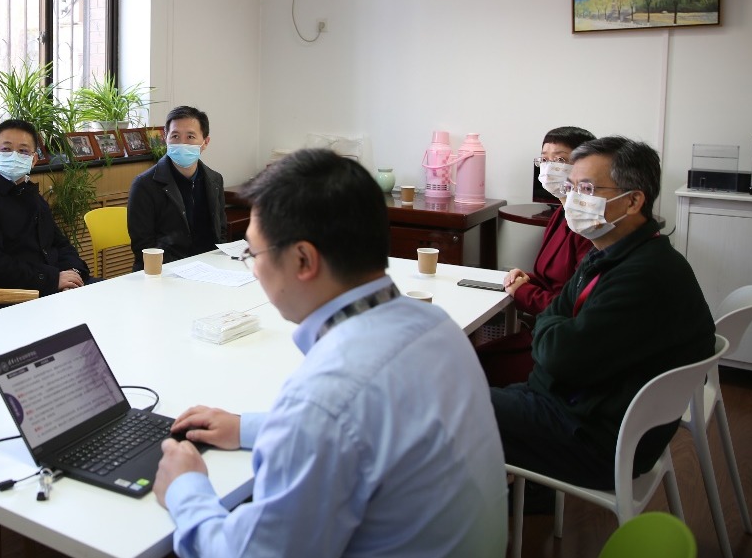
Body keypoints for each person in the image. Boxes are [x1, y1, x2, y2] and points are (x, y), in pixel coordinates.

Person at [154, 149, 507, 557]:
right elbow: (362, 432)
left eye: (253, 253)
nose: (254, 269)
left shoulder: (325, 398)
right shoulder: (436, 326)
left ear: (303, 259)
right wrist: (248, 427)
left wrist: (186, 488)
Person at [490, 136, 716, 495]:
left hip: (599, 440)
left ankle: (490, 508)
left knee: (452, 403)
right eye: (571, 188)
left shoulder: (644, 275)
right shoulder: (610, 252)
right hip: (589, 410)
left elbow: (556, 355)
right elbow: (557, 318)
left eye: (586, 189)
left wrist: (552, 330)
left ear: (633, 201)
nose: (572, 199)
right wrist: (555, 329)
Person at [478, 125, 596, 386]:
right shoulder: (560, 213)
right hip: (545, 331)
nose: (549, 167)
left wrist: (524, 292)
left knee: (473, 364)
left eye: (560, 160)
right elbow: (553, 277)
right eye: (544, 159)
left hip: (561, 345)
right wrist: (528, 279)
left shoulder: (587, 227)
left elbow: (574, 306)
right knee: (469, 356)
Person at [0, 119, 90, 296]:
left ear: (34, 160)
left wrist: (73, 272)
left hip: (58, 288)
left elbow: (60, 243)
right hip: (15, 297)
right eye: (6, 149)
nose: (14, 156)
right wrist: (52, 279)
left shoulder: (30, 194)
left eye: (23, 151)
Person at [127, 106, 228, 271]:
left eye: (190, 136)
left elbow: (221, 232)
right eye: (175, 136)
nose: (182, 143)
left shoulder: (215, 180)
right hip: (163, 272)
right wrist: (184, 270)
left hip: (209, 269)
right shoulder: (144, 185)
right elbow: (143, 246)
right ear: (165, 138)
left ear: (205, 142)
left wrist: (217, 265)